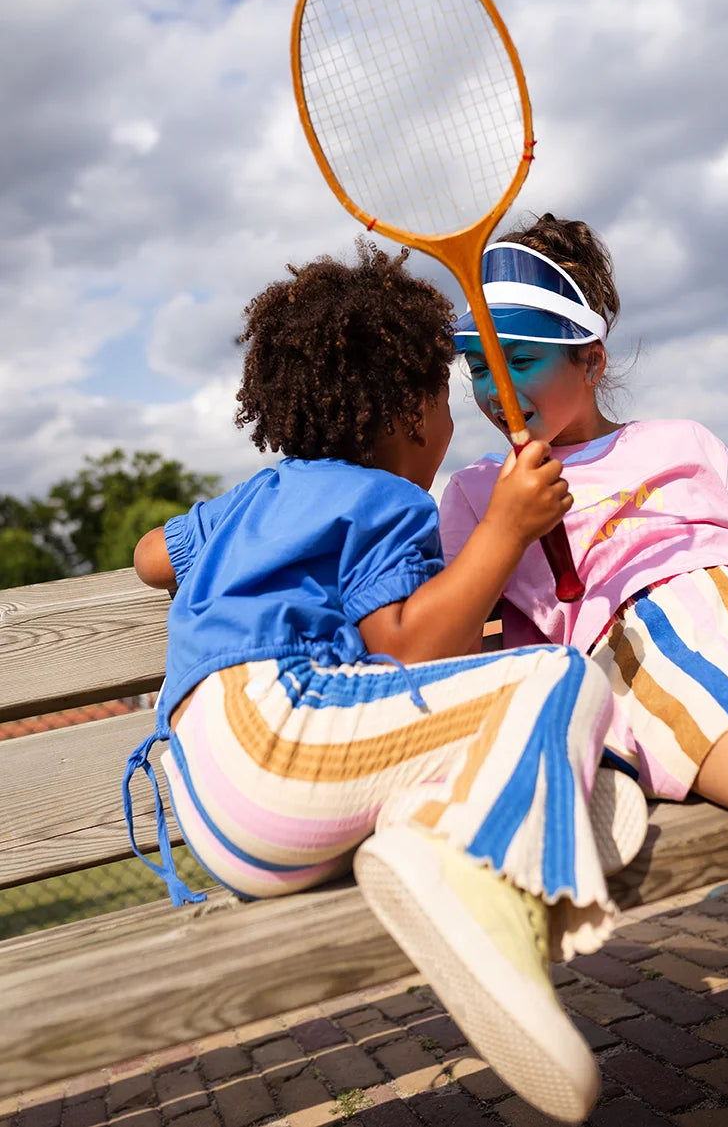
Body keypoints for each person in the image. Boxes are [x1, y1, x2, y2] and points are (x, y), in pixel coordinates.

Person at [124, 240, 648, 1124]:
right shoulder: (383, 499)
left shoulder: (251, 500)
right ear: (411, 410)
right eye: (443, 397)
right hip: (281, 738)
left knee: (464, 722)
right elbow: (409, 653)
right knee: (555, 675)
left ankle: (433, 830)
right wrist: (506, 530)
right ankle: (489, 906)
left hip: (219, 819)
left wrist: (229, 551)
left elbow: (147, 560)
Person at [440, 213, 728, 1127]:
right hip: (663, 652)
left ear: (590, 359)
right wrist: (509, 526)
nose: (495, 389)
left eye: (519, 359)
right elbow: (514, 658)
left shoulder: (685, 439)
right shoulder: (482, 491)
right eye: (478, 364)